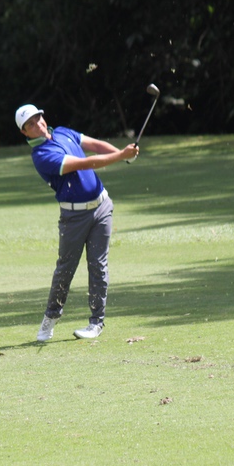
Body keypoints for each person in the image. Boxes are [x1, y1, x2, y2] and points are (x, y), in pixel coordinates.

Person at [16, 104, 139, 341]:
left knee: (98, 265)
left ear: (43, 117)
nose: (37, 125)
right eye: (30, 124)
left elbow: (95, 145)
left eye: (37, 119)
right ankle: (51, 317)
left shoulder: (63, 132)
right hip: (74, 217)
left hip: (102, 206)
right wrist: (120, 156)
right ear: (24, 132)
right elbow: (86, 163)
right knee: (65, 269)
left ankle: (96, 323)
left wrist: (124, 155)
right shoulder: (41, 156)